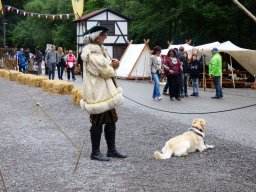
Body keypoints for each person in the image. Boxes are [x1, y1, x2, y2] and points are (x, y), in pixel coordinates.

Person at [80, 25, 126, 161]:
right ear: (96, 36)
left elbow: (106, 66)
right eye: (103, 34)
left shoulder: (101, 50)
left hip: (106, 91)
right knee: (98, 121)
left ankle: (111, 150)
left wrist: (112, 63)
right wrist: (114, 66)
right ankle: (95, 152)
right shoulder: (91, 52)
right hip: (98, 92)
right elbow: (105, 71)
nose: (106, 36)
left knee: (111, 120)